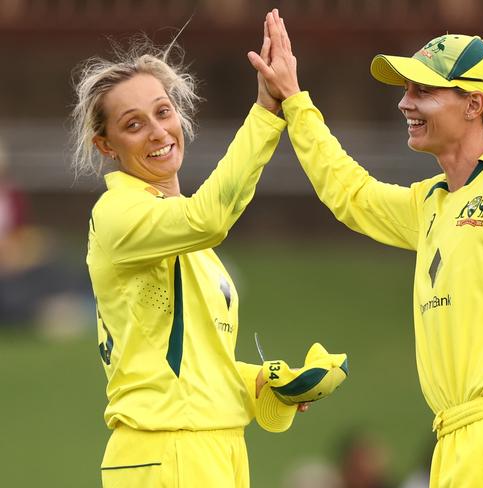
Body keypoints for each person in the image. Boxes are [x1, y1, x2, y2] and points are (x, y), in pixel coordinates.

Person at [249, 9, 483, 487]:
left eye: (423, 91)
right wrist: (295, 101)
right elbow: (351, 194)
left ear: (473, 104)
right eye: (406, 89)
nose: (405, 103)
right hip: (451, 441)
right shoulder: (431, 202)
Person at [70, 31, 322, 488]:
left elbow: (185, 367)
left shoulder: (185, 235)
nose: (158, 131)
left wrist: (259, 383)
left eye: (163, 112)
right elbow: (210, 218)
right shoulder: (118, 213)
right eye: (133, 124)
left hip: (211, 445)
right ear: (106, 147)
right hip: (164, 447)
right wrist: (266, 112)